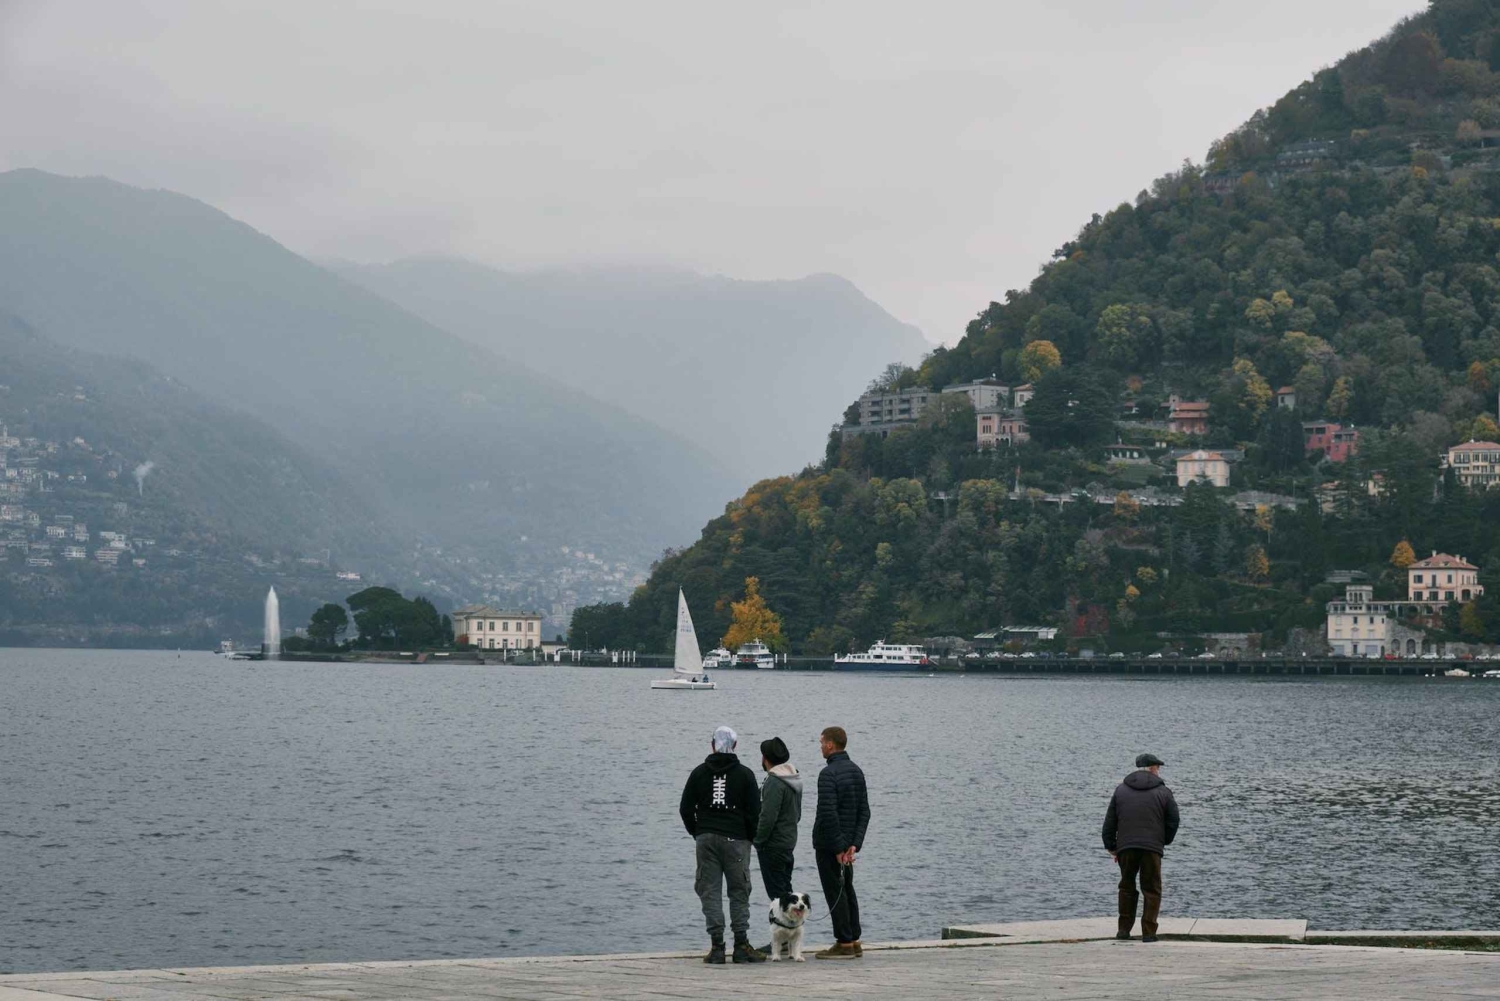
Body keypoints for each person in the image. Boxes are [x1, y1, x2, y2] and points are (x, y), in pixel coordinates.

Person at [679, 725, 764, 964]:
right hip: (736, 839)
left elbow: (685, 808)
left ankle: (717, 947)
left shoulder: (698, 773)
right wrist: (749, 837)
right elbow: (754, 813)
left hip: (706, 838)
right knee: (739, 891)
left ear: (712, 745)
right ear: (735, 746)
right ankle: (741, 945)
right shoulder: (745, 774)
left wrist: (697, 832)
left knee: (710, 891)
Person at [1102, 753, 1181, 943]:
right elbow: (1174, 820)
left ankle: (1123, 930)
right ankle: (1149, 932)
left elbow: (1109, 822)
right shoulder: (1164, 792)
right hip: (1152, 848)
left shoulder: (1120, 790)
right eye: (1158, 767)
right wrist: (1163, 841)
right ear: (1153, 768)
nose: (1159, 771)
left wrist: (1113, 847)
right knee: (1152, 889)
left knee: (1127, 887)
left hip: (1126, 847)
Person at [811, 725, 869, 960]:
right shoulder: (856, 771)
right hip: (847, 845)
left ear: (830, 744)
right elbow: (864, 811)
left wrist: (836, 848)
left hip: (830, 845)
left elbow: (828, 813)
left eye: (821, 742)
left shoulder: (828, 774)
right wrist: (854, 844)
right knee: (847, 889)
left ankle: (843, 942)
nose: (820, 747)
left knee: (835, 890)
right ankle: (854, 939)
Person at [753, 735, 803, 900]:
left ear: (765, 759)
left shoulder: (774, 782)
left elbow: (768, 817)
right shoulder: (793, 778)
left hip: (773, 846)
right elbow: (798, 815)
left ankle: (783, 925)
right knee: (786, 894)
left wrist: (758, 841)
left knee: (778, 898)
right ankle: (793, 925)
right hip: (788, 843)